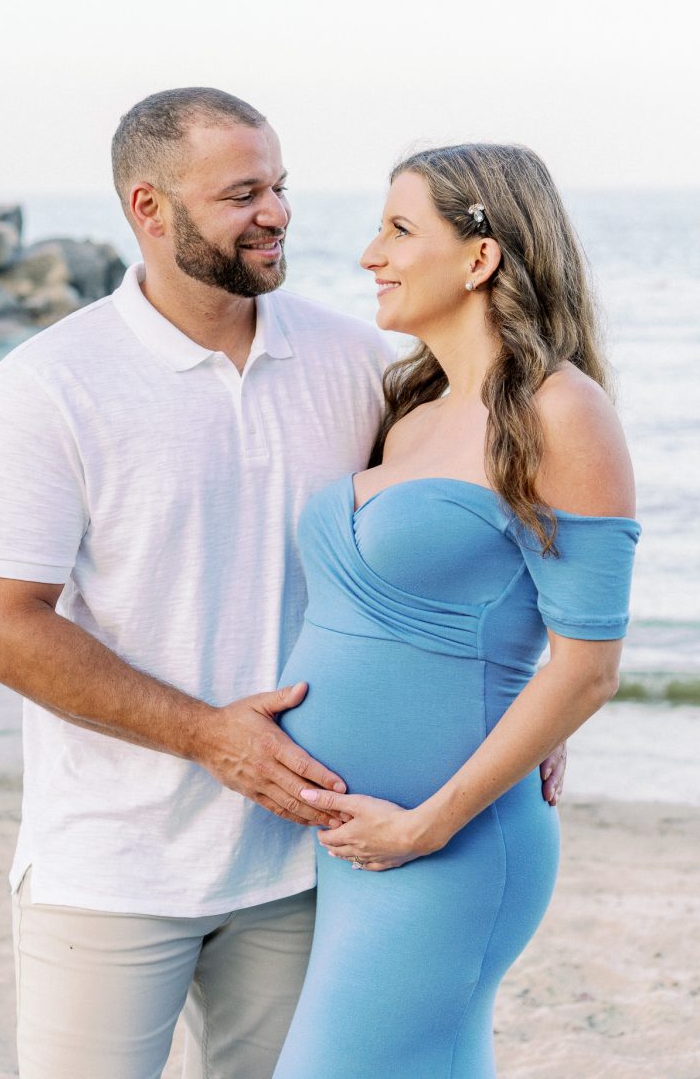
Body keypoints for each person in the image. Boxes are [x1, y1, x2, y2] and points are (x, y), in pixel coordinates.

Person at [0, 91, 565, 1079]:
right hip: (112, 865)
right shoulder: (49, 385)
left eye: (278, 185)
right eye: (241, 193)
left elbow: (469, 536)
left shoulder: (357, 361)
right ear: (149, 210)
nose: (275, 211)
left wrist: (535, 699)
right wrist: (210, 739)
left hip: (310, 860)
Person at [271, 143, 640, 1079]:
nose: (370, 255)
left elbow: (588, 664)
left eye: (399, 229)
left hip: (448, 847)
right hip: (361, 845)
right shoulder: (416, 408)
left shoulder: (562, 411)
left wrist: (429, 823)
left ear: (480, 259)